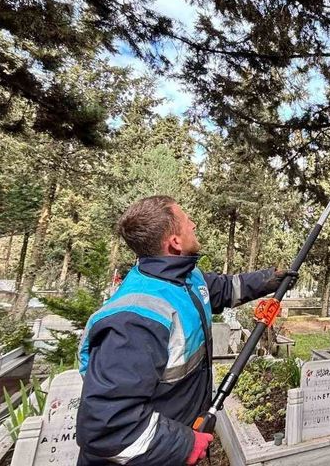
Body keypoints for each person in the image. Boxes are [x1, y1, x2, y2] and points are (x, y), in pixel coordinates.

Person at [76, 196, 294, 465]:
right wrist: (184, 445)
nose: (193, 224)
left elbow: (224, 288)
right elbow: (107, 427)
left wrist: (269, 279)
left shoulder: (184, 279)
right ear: (174, 242)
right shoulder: (135, 320)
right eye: (186, 221)